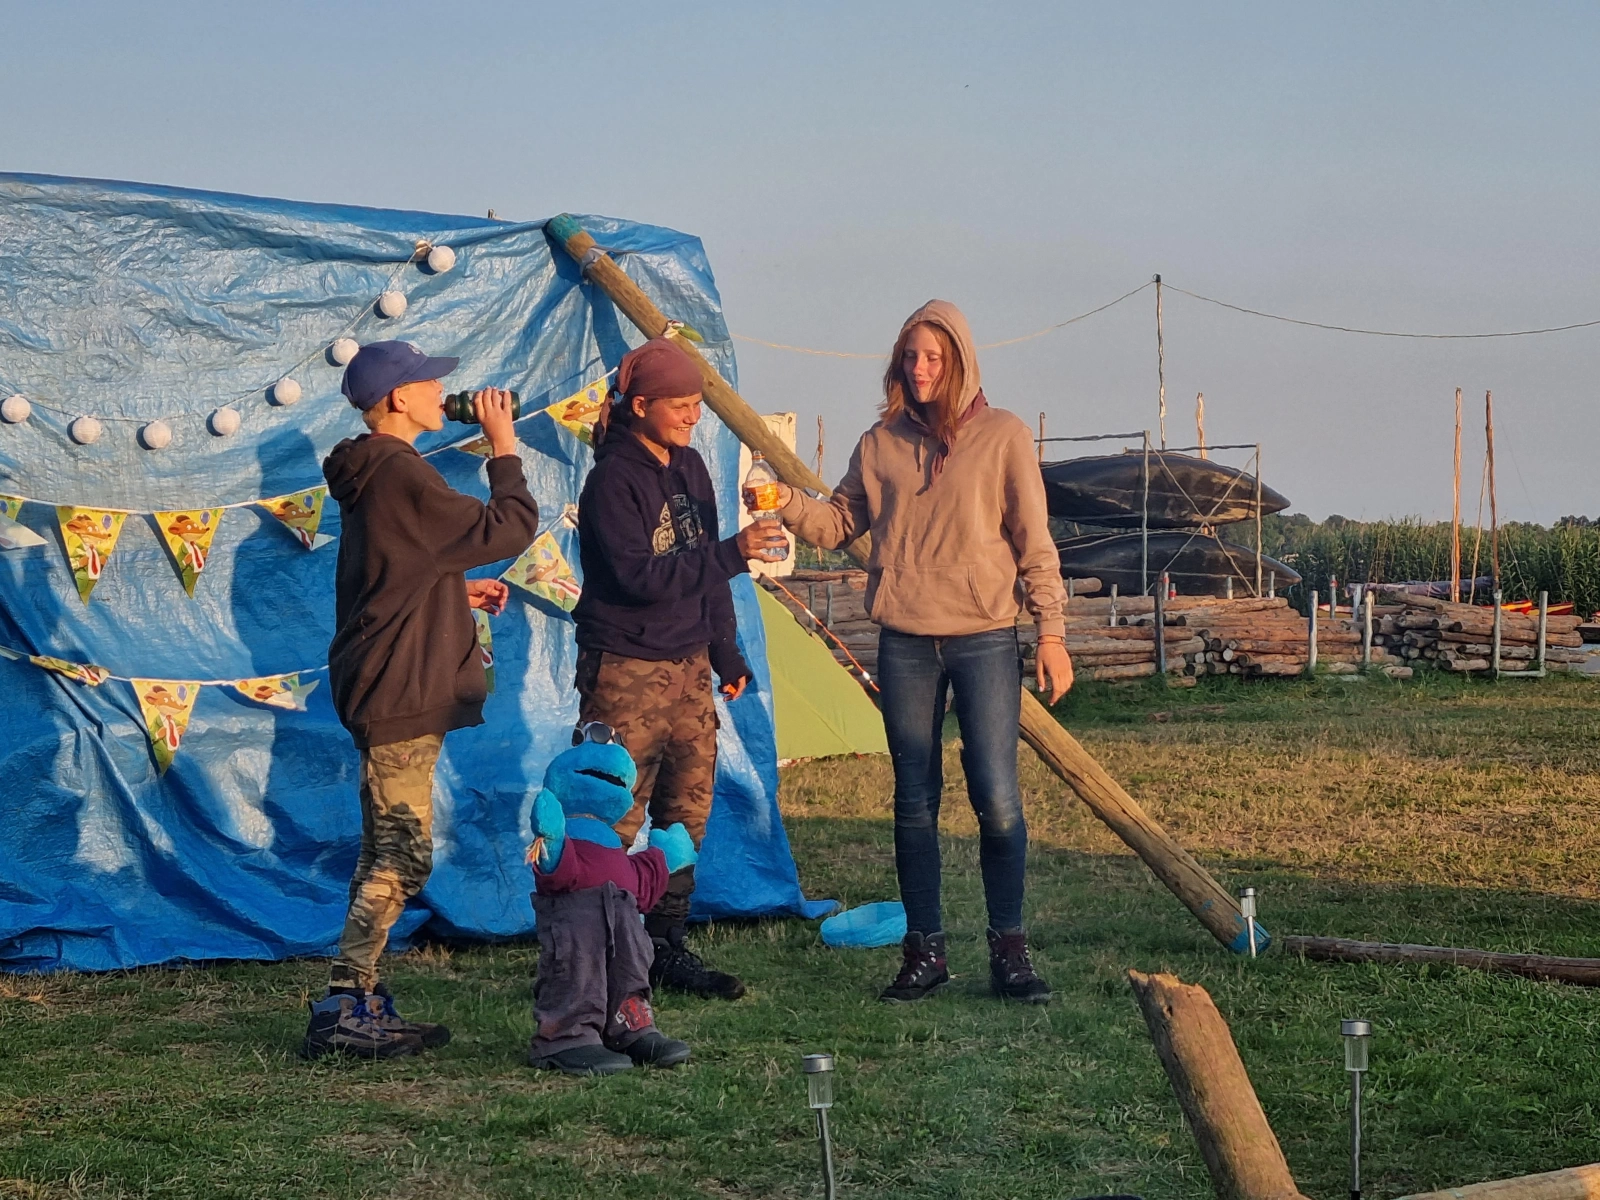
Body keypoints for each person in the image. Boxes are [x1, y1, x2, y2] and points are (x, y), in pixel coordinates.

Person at [771, 300, 1073, 1005]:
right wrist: (784, 498)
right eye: (910, 356)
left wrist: (1052, 633)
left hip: (984, 636)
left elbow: (1034, 540)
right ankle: (925, 952)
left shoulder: (1002, 436)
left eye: (933, 356)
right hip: (904, 640)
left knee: (996, 798)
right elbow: (838, 522)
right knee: (914, 800)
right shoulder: (879, 444)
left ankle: (1010, 951)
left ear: (960, 360)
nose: (920, 368)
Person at [302, 340, 540, 1059]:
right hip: (398, 688)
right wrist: (503, 448)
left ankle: (361, 1000)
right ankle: (345, 1004)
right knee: (404, 856)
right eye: (431, 383)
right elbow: (507, 527)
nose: (443, 392)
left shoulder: (373, 473)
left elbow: (389, 574)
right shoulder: (400, 470)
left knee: (383, 848)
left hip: (384, 678)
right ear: (400, 399)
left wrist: (452, 593)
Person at [572, 336, 787, 1001]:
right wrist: (733, 553)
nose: (694, 416)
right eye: (681, 405)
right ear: (640, 406)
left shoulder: (691, 466)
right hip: (625, 668)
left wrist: (726, 652)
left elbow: (704, 569)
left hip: (690, 667)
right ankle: (597, 954)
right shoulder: (612, 481)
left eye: (698, 404)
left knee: (685, 814)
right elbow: (637, 578)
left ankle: (665, 945)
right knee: (611, 813)